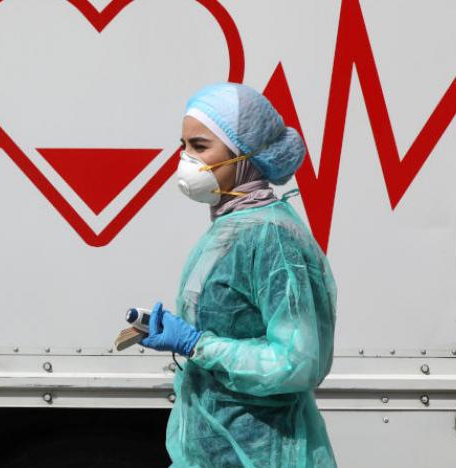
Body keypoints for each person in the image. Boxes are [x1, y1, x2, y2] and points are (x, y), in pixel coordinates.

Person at [139, 82, 338, 467]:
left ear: (244, 153)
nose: (186, 159)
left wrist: (197, 344)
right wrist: (182, 334)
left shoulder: (271, 237)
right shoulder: (229, 228)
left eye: (200, 146)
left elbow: (297, 362)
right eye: (183, 146)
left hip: (262, 451)